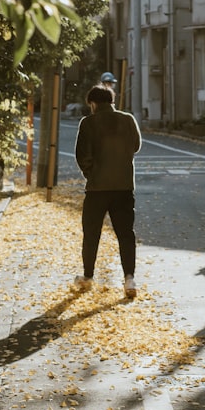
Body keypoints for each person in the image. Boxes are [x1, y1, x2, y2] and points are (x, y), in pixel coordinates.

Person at [73, 84, 142, 298]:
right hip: (124, 187)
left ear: (93, 104)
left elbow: (82, 154)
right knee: (125, 234)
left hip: (97, 189)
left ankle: (87, 276)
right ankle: (129, 278)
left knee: (92, 232)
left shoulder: (88, 123)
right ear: (111, 101)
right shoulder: (128, 119)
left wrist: (91, 174)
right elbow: (136, 146)